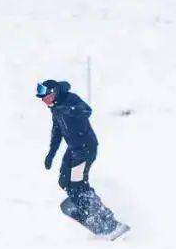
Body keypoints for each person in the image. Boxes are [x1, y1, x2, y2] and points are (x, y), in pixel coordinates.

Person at [36, 80, 127, 239]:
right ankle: (83, 206)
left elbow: (86, 110)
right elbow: (57, 132)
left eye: (46, 98)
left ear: (54, 92)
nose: (45, 102)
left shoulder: (70, 99)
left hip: (85, 149)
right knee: (65, 181)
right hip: (73, 149)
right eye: (43, 100)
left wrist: (69, 110)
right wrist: (51, 154)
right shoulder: (55, 108)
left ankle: (108, 221)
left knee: (78, 185)